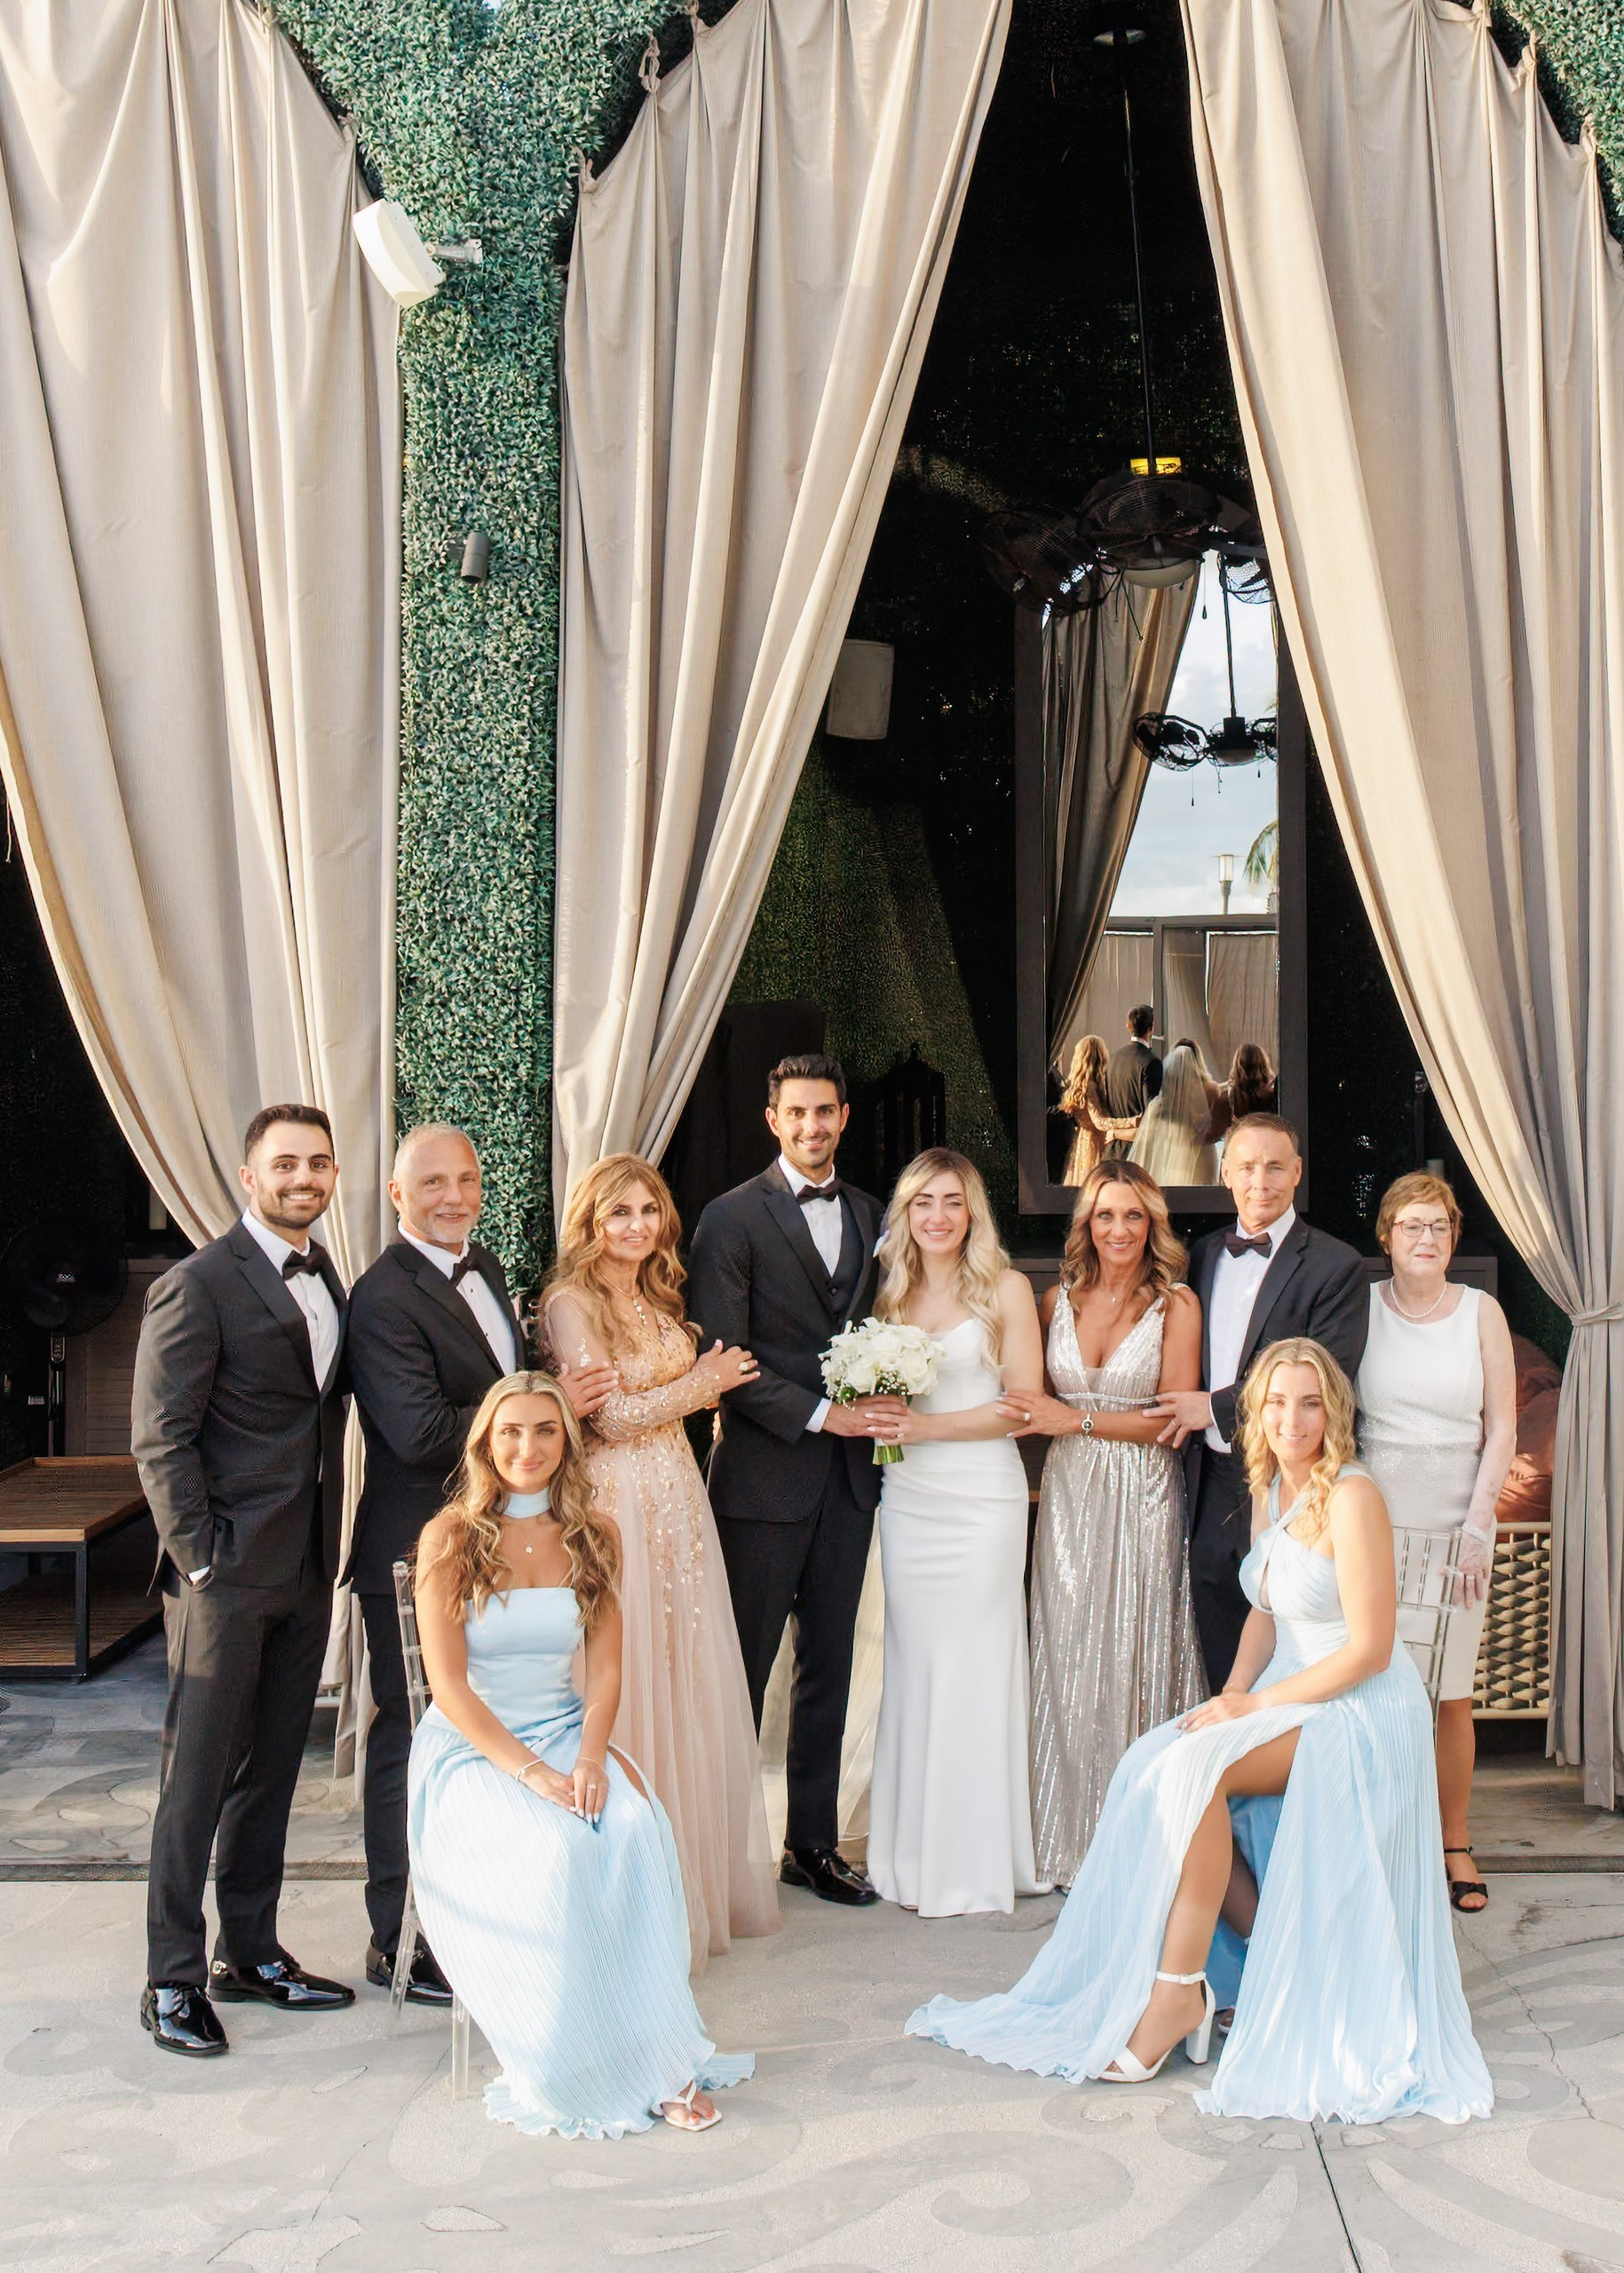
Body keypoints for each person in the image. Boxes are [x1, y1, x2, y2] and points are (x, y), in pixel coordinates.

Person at [907, 1339, 1493, 2126]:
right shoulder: (1271, 1486)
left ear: (1334, 1412)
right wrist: (1232, 1695)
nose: (1292, 1420)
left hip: (1356, 1708)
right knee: (1152, 1760)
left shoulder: (1352, 1496)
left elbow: (1370, 1651)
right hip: (1288, 1693)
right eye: (1276, 1403)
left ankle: (1177, 1994)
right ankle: (1264, 1957)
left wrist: (1254, 1708)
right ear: (1256, 1413)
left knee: (1198, 1773)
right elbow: (1265, 1612)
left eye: (1309, 1403)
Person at [408, 1374, 753, 2138]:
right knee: (558, 1849)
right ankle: (570, 2059)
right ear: (485, 1442)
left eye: (545, 1431)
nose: (526, 1448)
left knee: (634, 1827)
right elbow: (450, 1689)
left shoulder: (595, 1534)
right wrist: (530, 1772)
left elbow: (603, 1673)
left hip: (566, 1729)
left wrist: (591, 1759)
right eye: (510, 1431)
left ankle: (657, 2057)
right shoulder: (449, 1538)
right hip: (474, 1748)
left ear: (567, 1443)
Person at [343, 1123, 617, 2003]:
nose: (454, 1196)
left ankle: (484, 1920)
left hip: (504, 1543)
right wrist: (548, 1403)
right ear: (397, 1195)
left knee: (492, 1730)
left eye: (466, 1179)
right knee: (413, 1732)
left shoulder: (487, 1266)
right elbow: (420, 1430)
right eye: (432, 1183)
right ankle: (398, 1936)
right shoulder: (380, 1297)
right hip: (419, 1543)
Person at [131, 1105, 354, 2057]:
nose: (303, 1178)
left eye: (318, 1163)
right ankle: (171, 1979)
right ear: (248, 1174)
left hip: (306, 1562)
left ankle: (251, 1952)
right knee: (196, 1780)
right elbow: (160, 1438)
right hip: (223, 1575)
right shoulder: (197, 1283)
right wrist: (200, 1557)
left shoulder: (327, 1274)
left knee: (271, 1771)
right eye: (285, 1163)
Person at [542, 1154, 780, 1968]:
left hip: (678, 1498)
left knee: (684, 1675)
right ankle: (626, 1901)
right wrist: (704, 1381)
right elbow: (607, 1420)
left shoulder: (655, 1296)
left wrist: (696, 1389)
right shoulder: (571, 1302)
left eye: (647, 1211)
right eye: (619, 1212)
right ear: (590, 1222)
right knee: (632, 1674)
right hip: (619, 1505)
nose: (636, 1226)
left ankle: (687, 1881)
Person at [686, 1053, 892, 1907]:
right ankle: (716, 1849)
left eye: (825, 1112)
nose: (812, 1126)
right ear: (774, 1121)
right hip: (762, 1482)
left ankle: (810, 1845)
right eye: (797, 1113)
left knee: (828, 1668)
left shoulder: (875, 1215)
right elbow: (722, 1358)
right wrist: (819, 1415)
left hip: (849, 1485)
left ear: (843, 1117)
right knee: (740, 1669)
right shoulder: (730, 1217)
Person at [999, 1160, 1206, 1885]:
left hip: (1142, 1492)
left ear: (1152, 1225)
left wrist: (1075, 1420)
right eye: (1105, 1215)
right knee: (1066, 1651)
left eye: (1133, 1216)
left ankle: (1140, 1839)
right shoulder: (1053, 1300)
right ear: (1086, 1223)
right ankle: (1064, 1833)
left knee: (1136, 1647)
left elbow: (1170, 1420)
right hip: (1068, 1494)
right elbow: (1021, 1394)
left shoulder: (1175, 1305)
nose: (1119, 1230)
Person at [863, 1149, 1045, 1915]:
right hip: (907, 1501)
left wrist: (925, 1429)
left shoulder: (1005, 1288)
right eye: (922, 1202)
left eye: (952, 1202)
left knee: (975, 1665)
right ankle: (911, 1857)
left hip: (980, 1501)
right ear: (905, 1213)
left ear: (972, 1213)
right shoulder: (887, 1291)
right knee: (916, 1666)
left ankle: (975, 1861)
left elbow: (1023, 1403)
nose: (937, 1217)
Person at [1150, 1113, 1367, 1693]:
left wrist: (1213, 1409)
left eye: (1274, 1167)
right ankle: (1233, 1739)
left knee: (1293, 1630)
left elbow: (1328, 1376)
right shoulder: (1201, 1256)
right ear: (1224, 1172)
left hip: (1292, 1480)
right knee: (1220, 1637)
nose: (1260, 1181)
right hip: (1211, 1480)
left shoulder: (1336, 1265)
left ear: (1297, 1172)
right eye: (1246, 1167)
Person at [1357, 1172, 1516, 1913]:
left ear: (1452, 1238)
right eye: (1411, 1225)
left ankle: (1453, 1841)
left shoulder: (1480, 1311)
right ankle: (1381, 1838)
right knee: (1373, 1686)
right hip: (1374, 1526)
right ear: (1385, 1236)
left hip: (1457, 1529)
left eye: (1439, 1226)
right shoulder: (1360, 1308)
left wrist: (1477, 1528)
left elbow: (1502, 1428)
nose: (1426, 1238)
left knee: (1450, 1694)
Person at [1129, 1041, 1218, 1185]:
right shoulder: (1211, 1091)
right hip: (1204, 1154)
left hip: (1176, 1155)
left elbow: (1148, 1136)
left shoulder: (1162, 1103)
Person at [1098, 1005, 1162, 1155]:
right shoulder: (1151, 1063)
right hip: (1138, 1152)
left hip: (1112, 1149)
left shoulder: (1113, 1059)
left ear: (1128, 1026)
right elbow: (1152, 1114)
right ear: (1152, 1027)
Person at [1056, 1034, 1113, 1184]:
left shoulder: (1081, 1084)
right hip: (1095, 1144)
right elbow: (1100, 1122)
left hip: (1082, 1141)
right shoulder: (1090, 1086)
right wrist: (1129, 1122)